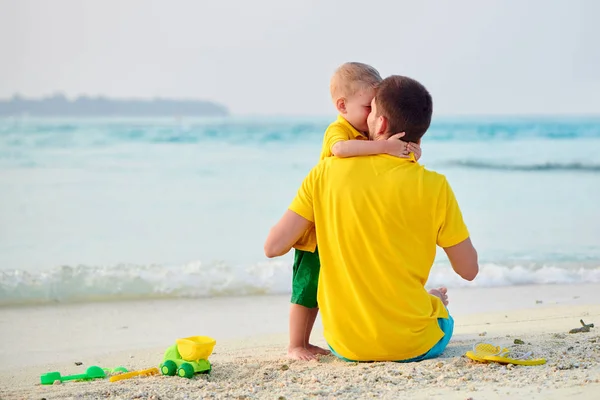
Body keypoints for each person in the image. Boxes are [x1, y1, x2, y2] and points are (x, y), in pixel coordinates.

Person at [265, 75, 479, 362]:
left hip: (346, 347)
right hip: (414, 346)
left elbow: (273, 247)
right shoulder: (436, 185)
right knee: (442, 315)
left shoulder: (324, 173)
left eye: (371, 111)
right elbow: (469, 270)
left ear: (380, 123)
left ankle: (426, 301)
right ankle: (430, 301)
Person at [288, 62, 422, 360]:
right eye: (367, 107)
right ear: (342, 105)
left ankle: (320, 338)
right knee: (307, 287)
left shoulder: (368, 133)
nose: (372, 115)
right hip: (317, 227)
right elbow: (340, 151)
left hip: (341, 227)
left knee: (328, 287)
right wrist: (385, 148)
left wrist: (409, 148)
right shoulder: (339, 130)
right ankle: (296, 343)